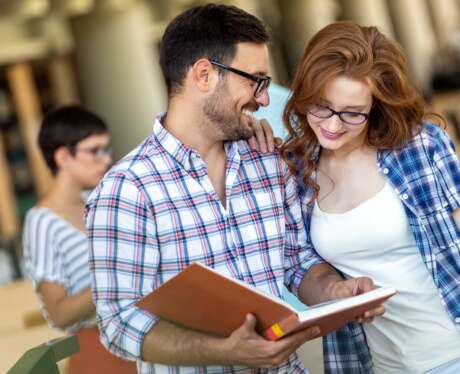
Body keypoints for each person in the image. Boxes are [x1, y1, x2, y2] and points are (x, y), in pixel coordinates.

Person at [85, 4, 383, 374]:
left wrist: (337, 292)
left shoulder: (269, 162)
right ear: (205, 74)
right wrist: (226, 351)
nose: (263, 98)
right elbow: (118, 324)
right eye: (255, 80)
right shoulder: (127, 192)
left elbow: (298, 261)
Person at [270, 21, 460, 373]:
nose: (332, 124)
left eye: (352, 113)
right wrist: (336, 293)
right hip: (377, 365)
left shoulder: (421, 147)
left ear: (376, 106)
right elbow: (299, 266)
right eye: (321, 106)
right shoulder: (295, 172)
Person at [22, 106, 136, 373]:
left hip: (134, 338)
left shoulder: (97, 202)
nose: (106, 159)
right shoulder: (41, 222)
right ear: (63, 156)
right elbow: (59, 314)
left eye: (107, 149)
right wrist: (112, 275)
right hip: (96, 351)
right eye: (95, 150)